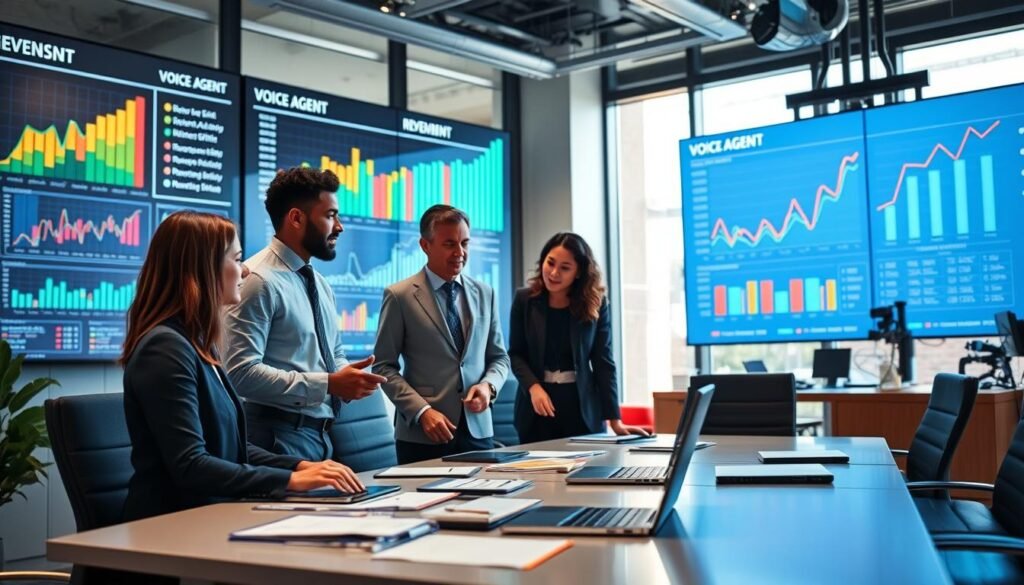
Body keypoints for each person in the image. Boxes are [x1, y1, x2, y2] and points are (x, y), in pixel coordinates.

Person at [121, 211, 364, 524]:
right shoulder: (165, 348)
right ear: (200, 270)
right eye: (236, 259)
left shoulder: (196, 344)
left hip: (208, 517)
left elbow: (231, 448)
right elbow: (191, 464)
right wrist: (287, 481)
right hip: (169, 532)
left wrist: (298, 467)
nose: (246, 270)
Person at [223, 167, 386, 462]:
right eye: (330, 216)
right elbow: (239, 373)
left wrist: (346, 377)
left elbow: (332, 351)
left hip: (319, 436)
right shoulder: (258, 280)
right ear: (296, 218)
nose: (340, 227)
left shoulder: (319, 283)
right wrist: (328, 384)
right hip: (274, 438)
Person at [374, 205, 510, 464]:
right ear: (425, 245)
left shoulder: (484, 293)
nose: (460, 253)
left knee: (483, 504)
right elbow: (383, 367)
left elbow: (499, 358)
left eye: (465, 243)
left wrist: (488, 386)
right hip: (423, 434)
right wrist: (422, 411)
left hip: (477, 431)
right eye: (449, 244)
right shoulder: (399, 296)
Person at [509, 232, 650, 442]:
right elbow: (516, 354)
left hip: (580, 408)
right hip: (536, 408)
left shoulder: (596, 303)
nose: (554, 273)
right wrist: (533, 387)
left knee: (583, 472)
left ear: (578, 272)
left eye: (565, 268)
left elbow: (603, 361)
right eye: (550, 263)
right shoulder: (524, 299)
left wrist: (614, 420)